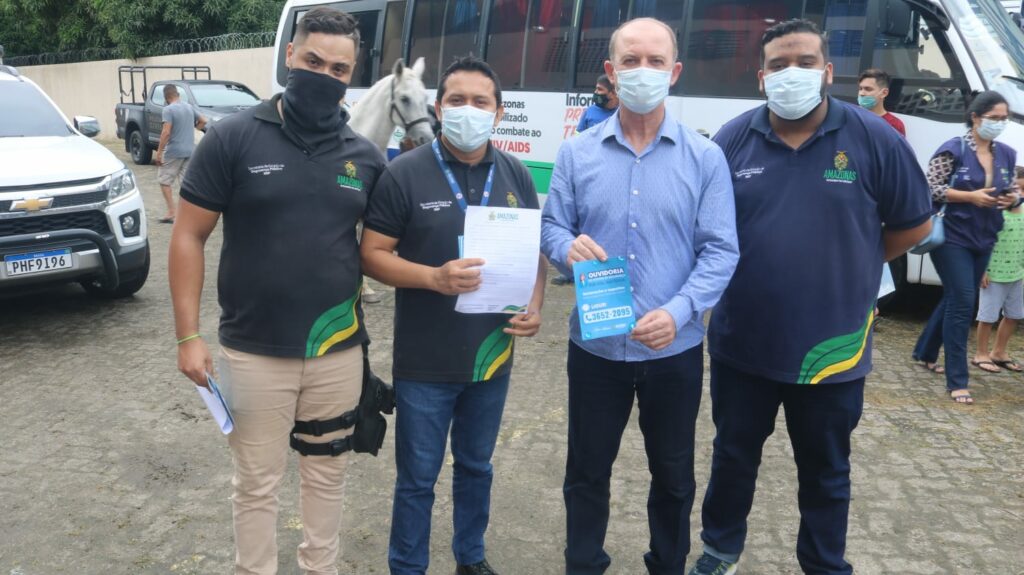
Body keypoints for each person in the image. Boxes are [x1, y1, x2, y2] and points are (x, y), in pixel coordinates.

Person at [689, 19, 932, 575]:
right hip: (743, 343)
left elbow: (915, 224)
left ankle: (823, 563)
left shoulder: (875, 139)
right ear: (761, 77)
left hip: (834, 349)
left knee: (825, 470)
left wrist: (860, 259)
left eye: (804, 62)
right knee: (733, 457)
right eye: (778, 64)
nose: (791, 73)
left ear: (827, 71)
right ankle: (720, 550)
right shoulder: (731, 141)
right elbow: (704, 230)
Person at [168, 7, 386, 574]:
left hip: (337, 351)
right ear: (290, 55)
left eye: (339, 69)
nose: (325, 75)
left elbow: (385, 249)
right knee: (256, 484)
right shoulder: (233, 138)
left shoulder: (365, 157)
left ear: (352, 75)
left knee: (327, 477)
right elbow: (188, 235)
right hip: (254, 352)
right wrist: (187, 336)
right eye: (313, 60)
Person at [542, 17, 739, 575]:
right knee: (586, 471)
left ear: (675, 72)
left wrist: (679, 312)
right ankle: (584, 564)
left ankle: (667, 564)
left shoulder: (704, 158)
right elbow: (552, 227)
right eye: (631, 60)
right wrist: (565, 248)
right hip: (596, 347)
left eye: (656, 61)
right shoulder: (575, 154)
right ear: (611, 71)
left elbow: (721, 250)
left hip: (673, 350)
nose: (643, 71)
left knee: (673, 476)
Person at [361, 56, 546, 575]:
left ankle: (471, 557)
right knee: (417, 479)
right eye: (457, 100)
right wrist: (433, 278)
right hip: (425, 361)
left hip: (491, 356)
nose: (469, 110)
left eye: (480, 102)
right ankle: (408, 566)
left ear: (499, 112)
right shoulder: (404, 173)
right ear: (439, 108)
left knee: (476, 467)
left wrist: (535, 305)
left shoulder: (515, 173)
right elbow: (371, 254)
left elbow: (534, 254)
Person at [914, 90, 1021, 403]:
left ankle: (925, 351)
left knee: (955, 296)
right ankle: (957, 379)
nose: (999, 123)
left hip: (985, 236)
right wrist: (969, 196)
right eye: (994, 118)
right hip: (952, 236)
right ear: (975, 117)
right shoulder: (953, 149)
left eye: (1004, 118)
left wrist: (1011, 199)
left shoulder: (1006, 153)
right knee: (963, 302)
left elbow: (1012, 192)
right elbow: (930, 188)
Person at [551, 75, 622, 287]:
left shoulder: (621, 115)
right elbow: (578, 138)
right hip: (589, 173)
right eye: (596, 89)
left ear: (613, 93)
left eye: (601, 90)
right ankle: (571, 273)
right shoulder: (590, 112)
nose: (596, 94)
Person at [972, 167, 1024, 374]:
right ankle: (981, 353)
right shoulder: (996, 212)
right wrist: (982, 270)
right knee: (987, 317)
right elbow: (982, 242)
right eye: (1017, 189)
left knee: (1014, 315)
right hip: (994, 274)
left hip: (1017, 274)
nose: (1020, 194)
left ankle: (999, 352)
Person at [155, 84, 206, 223]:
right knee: (186, 184)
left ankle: (172, 212)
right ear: (177, 94)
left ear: (166, 97)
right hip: (190, 150)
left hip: (174, 151)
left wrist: (159, 152)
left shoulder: (168, 110)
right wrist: (194, 130)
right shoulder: (189, 107)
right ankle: (188, 214)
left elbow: (166, 132)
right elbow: (204, 121)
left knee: (164, 181)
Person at [857, 68, 904, 136]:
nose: (861, 93)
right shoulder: (852, 116)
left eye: (868, 89)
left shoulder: (893, 125)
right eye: (860, 89)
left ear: (884, 93)